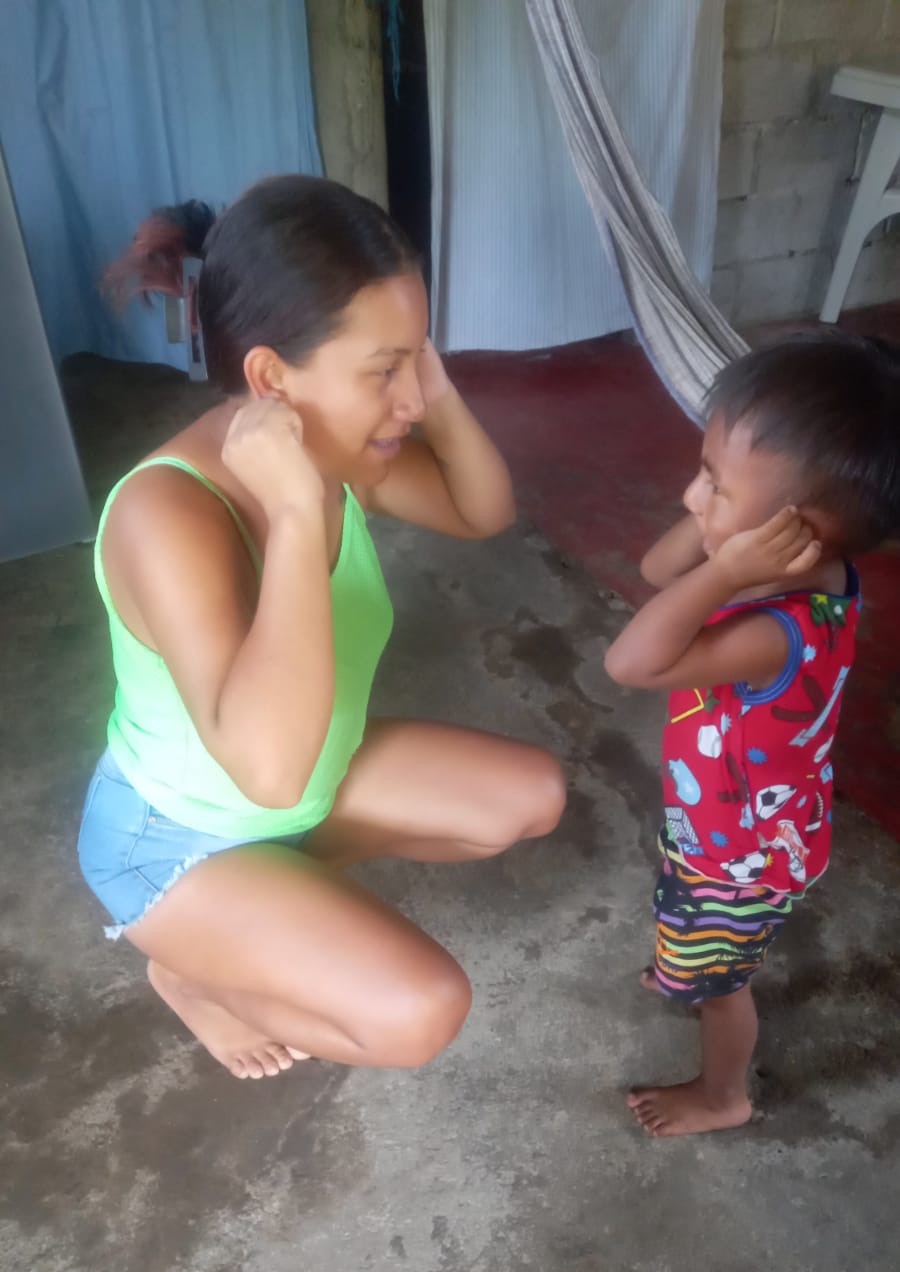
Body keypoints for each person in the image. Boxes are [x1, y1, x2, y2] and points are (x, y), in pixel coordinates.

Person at [78, 175, 566, 1081]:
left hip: (300, 790)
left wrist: (430, 385)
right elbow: (266, 772)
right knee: (420, 1013)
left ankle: (251, 917)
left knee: (530, 795)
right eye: (384, 370)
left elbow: (482, 508)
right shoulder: (168, 513)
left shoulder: (342, 450)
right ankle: (194, 969)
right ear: (271, 379)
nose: (409, 399)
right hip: (178, 841)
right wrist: (298, 515)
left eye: (418, 359)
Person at [604, 332, 900, 1136]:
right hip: (732, 827)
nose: (689, 495)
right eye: (702, 470)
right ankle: (686, 964)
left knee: (723, 988)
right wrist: (718, 531)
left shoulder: (775, 628)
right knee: (693, 940)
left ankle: (722, 1093)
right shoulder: (816, 572)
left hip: (740, 860)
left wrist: (729, 568)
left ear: (795, 532)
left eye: (714, 484)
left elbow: (629, 662)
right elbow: (659, 572)